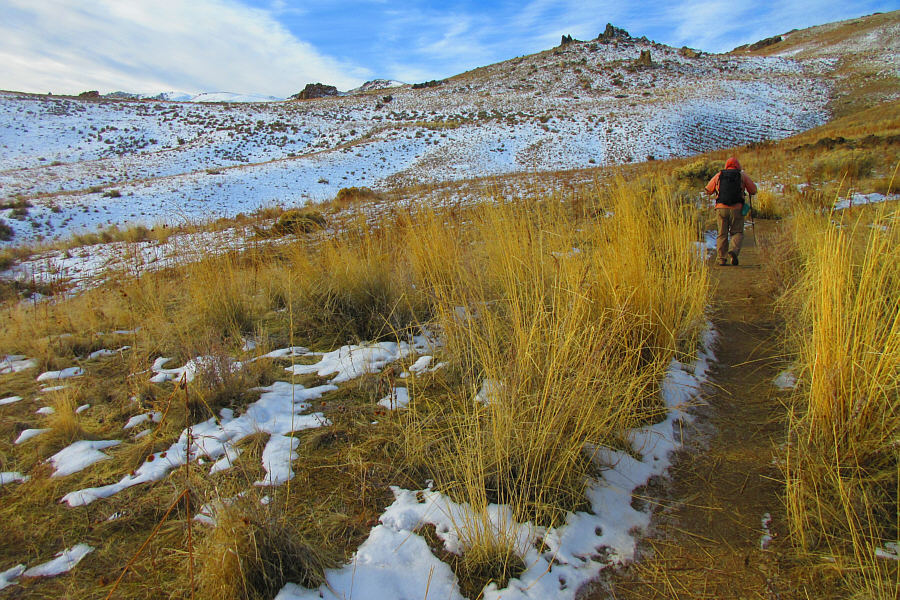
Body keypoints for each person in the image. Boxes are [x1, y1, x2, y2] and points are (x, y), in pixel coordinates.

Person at [705, 157, 757, 266]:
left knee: (722, 234)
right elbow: (753, 190)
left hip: (721, 208)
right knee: (737, 232)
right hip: (737, 208)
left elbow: (708, 190)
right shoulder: (742, 175)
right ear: (738, 165)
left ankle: (721, 259)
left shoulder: (719, 175)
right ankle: (733, 250)